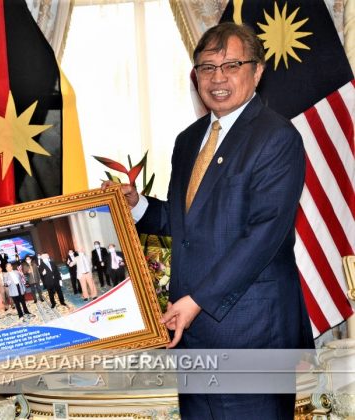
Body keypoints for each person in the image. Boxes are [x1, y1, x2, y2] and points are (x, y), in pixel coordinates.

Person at [109, 22, 313, 419]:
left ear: (257, 71)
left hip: (251, 336)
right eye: (207, 67)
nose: (217, 78)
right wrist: (136, 205)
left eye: (231, 65)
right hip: (193, 338)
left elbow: (262, 237)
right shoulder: (188, 140)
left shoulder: (277, 137)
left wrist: (196, 301)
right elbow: (185, 224)